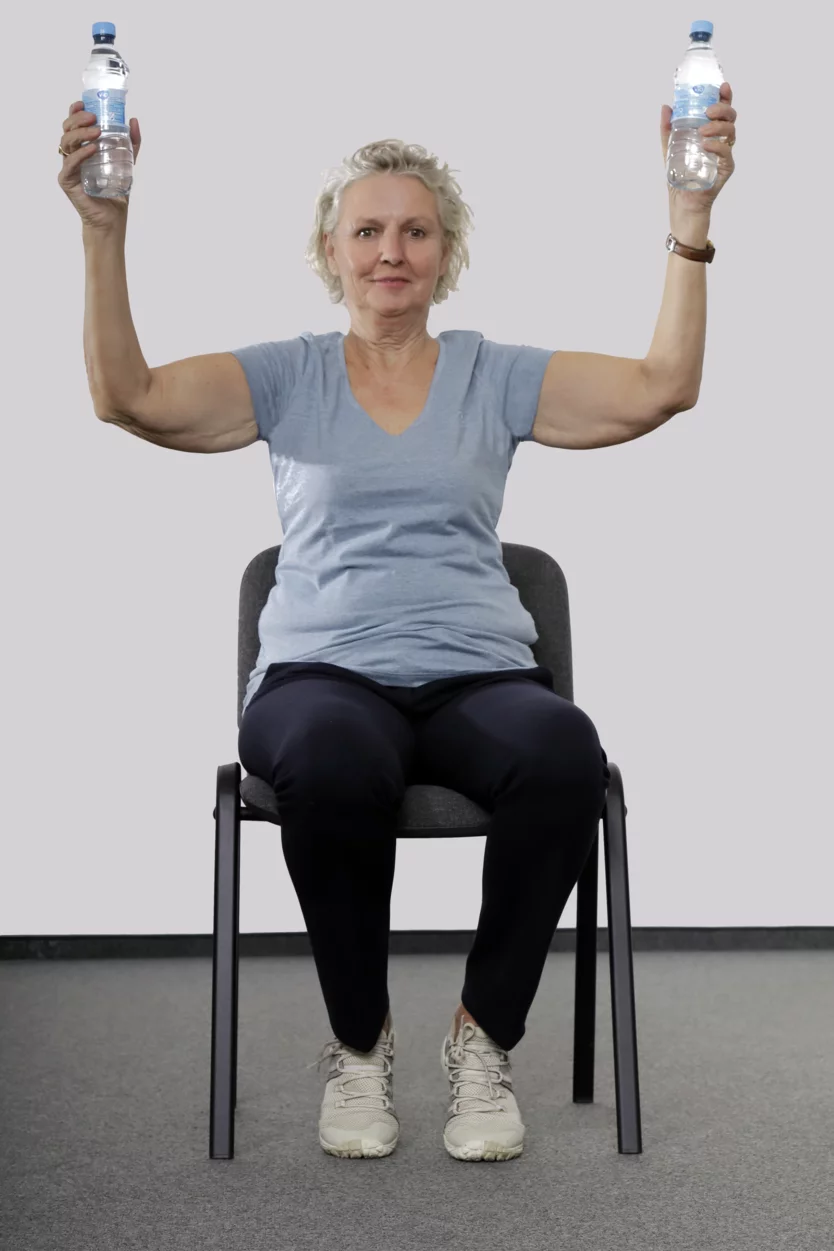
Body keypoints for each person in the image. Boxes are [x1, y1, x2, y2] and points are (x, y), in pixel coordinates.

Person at [58, 90, 736, 1162]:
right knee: (332, 762)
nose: (391, 250)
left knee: (563, 752)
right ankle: (360, 1048)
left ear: (446, 253)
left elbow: (662, 388)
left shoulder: (490, 373)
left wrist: (688, 218)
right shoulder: (283, 376)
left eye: (415, 230)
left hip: (476, 675)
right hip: (321, 675)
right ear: (330, 252)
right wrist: (105, 230)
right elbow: (125, 395)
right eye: (367, 230)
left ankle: (482, 1040)